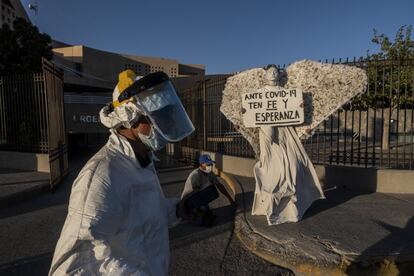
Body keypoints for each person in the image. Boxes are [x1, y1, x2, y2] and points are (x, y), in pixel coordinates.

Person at [49, 69, 194, 276]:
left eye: (168, 113)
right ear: (130, 117)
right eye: (159, 115)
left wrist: (178, 209)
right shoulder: (101, 175)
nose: (168, 122)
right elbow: (71, 268)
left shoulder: (143, 161)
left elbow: (148, 216)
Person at [181, 154, 234, 227]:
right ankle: (195, 212)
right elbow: (193, 193)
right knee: (210, 190)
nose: (210, 165)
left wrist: (230, 200)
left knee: (212, 190)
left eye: (211, 164)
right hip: (188, 201)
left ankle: (201, 211)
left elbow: (219, 186)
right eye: (208, 164)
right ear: (202, 164)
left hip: (197, 197)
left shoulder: (209, 173)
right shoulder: (196, 175)